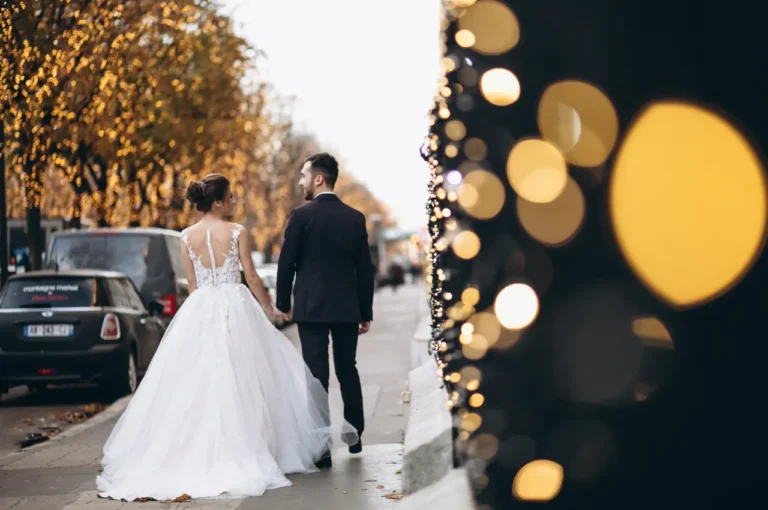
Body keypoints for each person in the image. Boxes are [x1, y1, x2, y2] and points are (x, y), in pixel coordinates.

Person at [96, 174, 357, 501]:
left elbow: (192, 285)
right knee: (249, 379)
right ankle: (255, 446)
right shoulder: (237, 232)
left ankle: (197, 450)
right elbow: (250, 275)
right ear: (218, 202)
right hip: (236, 306)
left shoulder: (186, 236)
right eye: (231, 197)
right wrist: (269, 308)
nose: (235, 202)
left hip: (200, 308)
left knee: (198, 381)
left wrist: (197, 314)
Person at [276, 153, 375, 468]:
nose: (301, 181)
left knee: (316, 376)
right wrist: (365, 310)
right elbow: (365, 269)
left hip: (311, 308)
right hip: (346, 306)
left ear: (319, 178)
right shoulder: (355, 217)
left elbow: (286, 263)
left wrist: (282, 303)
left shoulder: (301, 216)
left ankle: (321, 449)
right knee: (348, 368)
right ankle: (355, 433)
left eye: (304, 175)